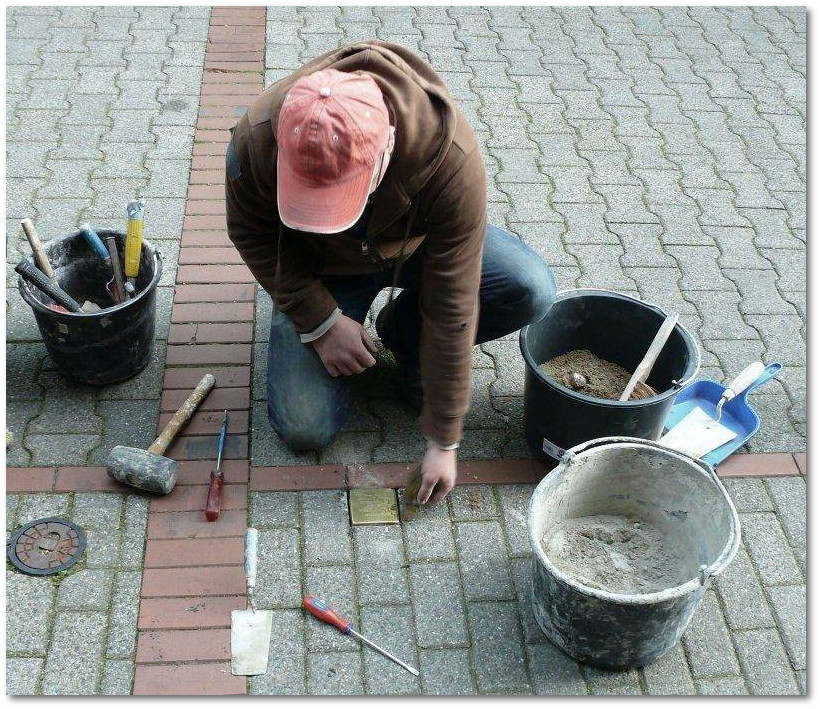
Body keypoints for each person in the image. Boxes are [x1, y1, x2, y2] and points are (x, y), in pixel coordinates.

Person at [226, 41, 555, 505]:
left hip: (418, 249)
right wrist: (319, 320)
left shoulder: (450, 158)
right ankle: (340, 322)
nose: (323, 209)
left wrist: (445, 439)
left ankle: (402, 334)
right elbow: (251, 232)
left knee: (530, 288)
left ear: (384, 153)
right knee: (305, 427)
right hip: (321, 268)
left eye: (335, 197)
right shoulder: (257, 136)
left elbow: (453, 298)